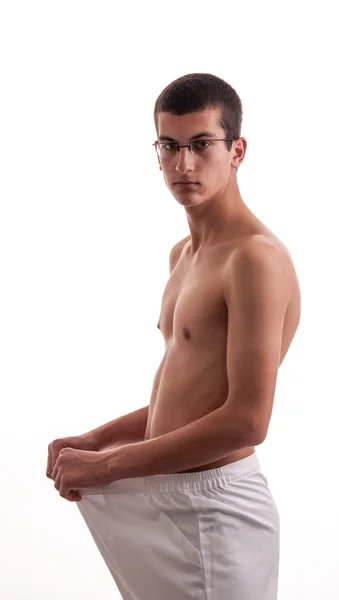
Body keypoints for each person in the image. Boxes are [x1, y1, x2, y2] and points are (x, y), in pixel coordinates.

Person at [46, 72, 301, 599]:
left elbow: (247, 420)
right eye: (170, 146)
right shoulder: (182, 256)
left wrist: (108, 464)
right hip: (169, 494)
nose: (184, 164)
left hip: (219, 509)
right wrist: (96, 440)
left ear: (238, 151)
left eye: (202, 144)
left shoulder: (255, 258)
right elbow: (189, 402)